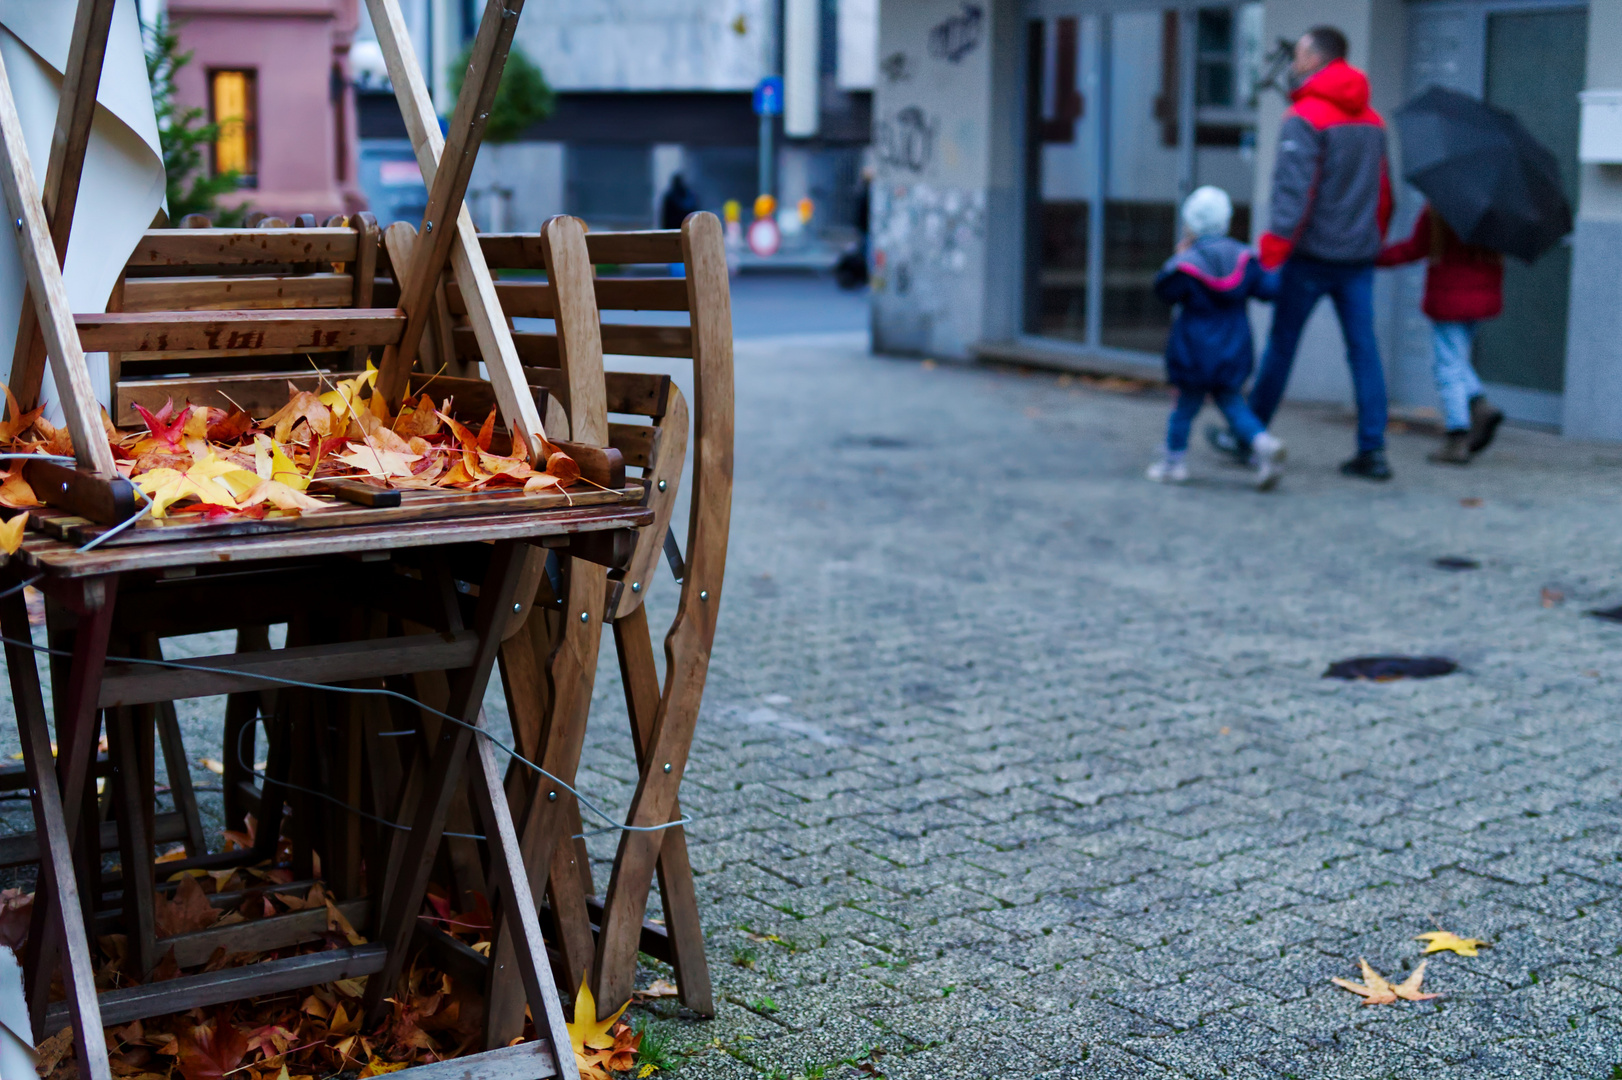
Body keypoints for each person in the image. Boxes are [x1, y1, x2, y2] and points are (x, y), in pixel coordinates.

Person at [1208, 26, 1395, 480]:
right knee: (1364, 352)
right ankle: (1373, 451)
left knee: (1281, 348)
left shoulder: (1304, 117)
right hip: (1357, 258)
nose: (1293, 61)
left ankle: (1248, 436)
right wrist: (1373, 240)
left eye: (1300, 53)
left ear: (1315, 59)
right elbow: (1385, 193)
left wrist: (1271, 255)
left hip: (1310, 258)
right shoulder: (1373, 120)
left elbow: (1294, 196)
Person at [1149, 186, 1286, 490]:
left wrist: (1176, 259)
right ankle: (1264, 445)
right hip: (1233, 348)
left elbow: (1163, 291)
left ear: (1192, 223)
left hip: (1194, 350)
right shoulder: (1244, 257)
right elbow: (1269, 290)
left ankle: (1173, 463)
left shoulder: (1188, 262)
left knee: (1184, 407)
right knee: (1233, 404)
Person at [1376, 203, 1505, 464]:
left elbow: (1414, 249)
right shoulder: (1494, 213)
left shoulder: (1438, 211)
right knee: (1456, 360)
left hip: (1449, 297)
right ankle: (1479, 405)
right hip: (1482, 298)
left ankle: (1457, 435)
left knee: (1446, 367)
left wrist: (1373, 256)